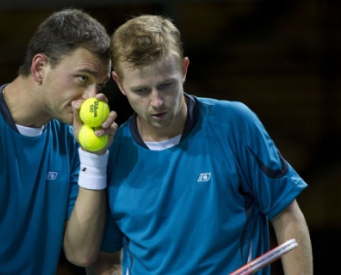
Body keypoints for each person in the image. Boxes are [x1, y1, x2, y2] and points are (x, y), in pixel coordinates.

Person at [86, 15, 313, 275]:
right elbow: (104, 258)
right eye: (141, 90)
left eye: (166, 85)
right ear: (119, 83)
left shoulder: (235, 124)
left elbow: (288, 219)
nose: (157, 101)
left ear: (183, 69)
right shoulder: (112, 151)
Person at [0, 8, 118, 275]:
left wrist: (93, 158)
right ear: (40, 67)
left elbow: (81, 254)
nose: (91, 97)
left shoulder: (74, 140)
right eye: (83, 78)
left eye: (99, 85)